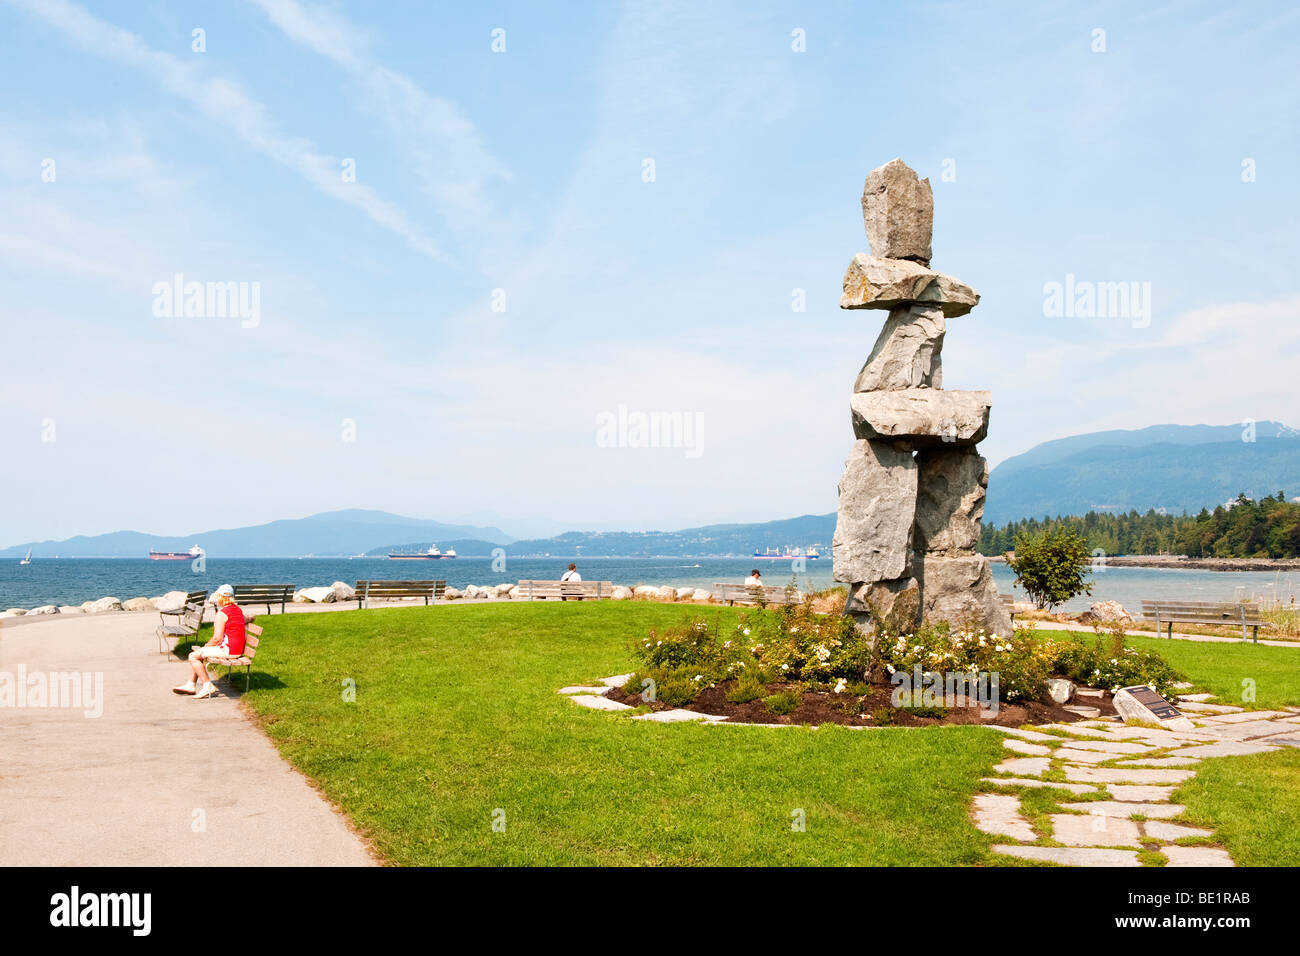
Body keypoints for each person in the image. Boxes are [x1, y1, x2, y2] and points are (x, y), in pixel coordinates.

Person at [173, 584, 246, 699]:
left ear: (222, 597)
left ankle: (208, 686)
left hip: (228, 650)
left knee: (193, 656)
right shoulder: (237, 610)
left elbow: (217, 639)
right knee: (199, 654)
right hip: (236, 648)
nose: (217, 599)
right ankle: (191, 685)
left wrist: (206, 646)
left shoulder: (222, 613)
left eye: (218, 596)